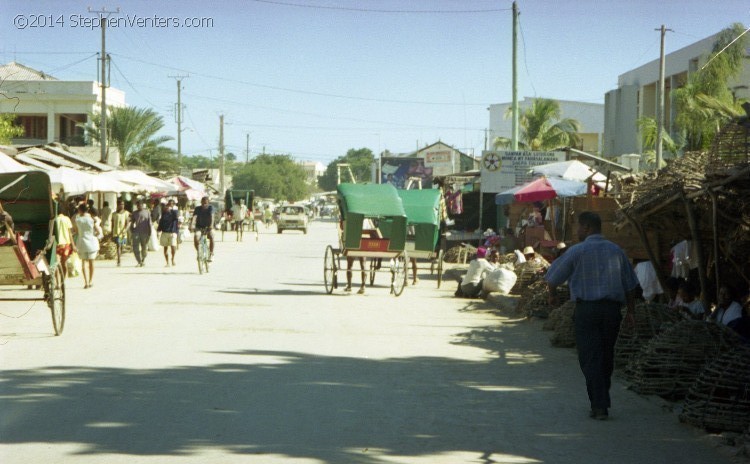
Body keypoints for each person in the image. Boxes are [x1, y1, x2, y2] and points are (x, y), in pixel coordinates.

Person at [545, 211, 638, 421]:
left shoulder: (577, 251)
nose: (577, 231)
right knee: (606, 354)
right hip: (612, 311)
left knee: (590, 356)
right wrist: (631, 312)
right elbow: (631, 285)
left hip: (587, 310)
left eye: (578, 226)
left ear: (586, 228)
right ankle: (601, 398)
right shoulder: (617, 251)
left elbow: (552, 278)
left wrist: (552, 296)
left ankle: (599, 405)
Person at [72, 203, 100, 288]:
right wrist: (93, 234)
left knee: (83, 263)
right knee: (91, 263)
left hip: (82, 243)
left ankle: (86, 282)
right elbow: (98, 232)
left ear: (80, 210)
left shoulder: (77, 220)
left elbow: (76, 232)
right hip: (92, 242)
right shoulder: (92, 219)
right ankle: (91, 281)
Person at [191, 196, 215, 261]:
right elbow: (194, 217)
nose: (204, 204)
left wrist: (211, 225)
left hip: (208, 227)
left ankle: (211, 253)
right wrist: (192, 225)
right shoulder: (197, 208)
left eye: (206, 203)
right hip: (199, 227)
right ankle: (199, 252)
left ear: (208, 203)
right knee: (196, 237)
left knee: (211, 236)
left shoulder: (211, 208)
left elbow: (212, 217)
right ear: (201, 202)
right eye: (203, 203)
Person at [157, 199, 180, 267]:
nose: (170, 205)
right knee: (165, 248)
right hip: (164, 232)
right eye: (169, 204)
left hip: (172, 232)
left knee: (173, 247)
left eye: (171, 204)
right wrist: (158, 230)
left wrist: (171, 209)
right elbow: (161, 221)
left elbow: (176, 217)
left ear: (173, 205)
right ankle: (167, 262)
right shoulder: (164, 212)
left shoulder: (175, 212)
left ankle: (172, 259)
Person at [130, 200, 152, 267]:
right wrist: (132, 229)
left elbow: (149, 223)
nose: (139, 206)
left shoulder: (147, 212)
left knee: (144, 247)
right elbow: (132, 222)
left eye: (140, 205)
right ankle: (139, 261)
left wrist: (150, 232)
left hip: (145, 233)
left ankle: (143, 260)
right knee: (135, 247)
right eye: (138, 205)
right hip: (136, 232)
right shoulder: (134, 213)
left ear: (143, 205)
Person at [54, 210, 75, 277]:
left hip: (56, 245)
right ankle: (63, 280)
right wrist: (73, 245)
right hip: (66, 245)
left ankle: (57, 283)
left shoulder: (54, 219)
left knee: (56, 264)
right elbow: (70, 233)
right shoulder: (67, 219)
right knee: (64, 263)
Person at [110, 200, 130, 266]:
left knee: (121, 246)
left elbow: (127, 224)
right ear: (117, 205)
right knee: (118, 246)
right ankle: (118, 261)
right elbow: (112, 224)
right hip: (116, 233)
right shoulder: (114, 214)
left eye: (123, 204)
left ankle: (119, 257)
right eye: (120, 204)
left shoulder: (126, 213)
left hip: (123, 233)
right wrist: (111, 233)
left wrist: (125, 230)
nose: (122, 205)